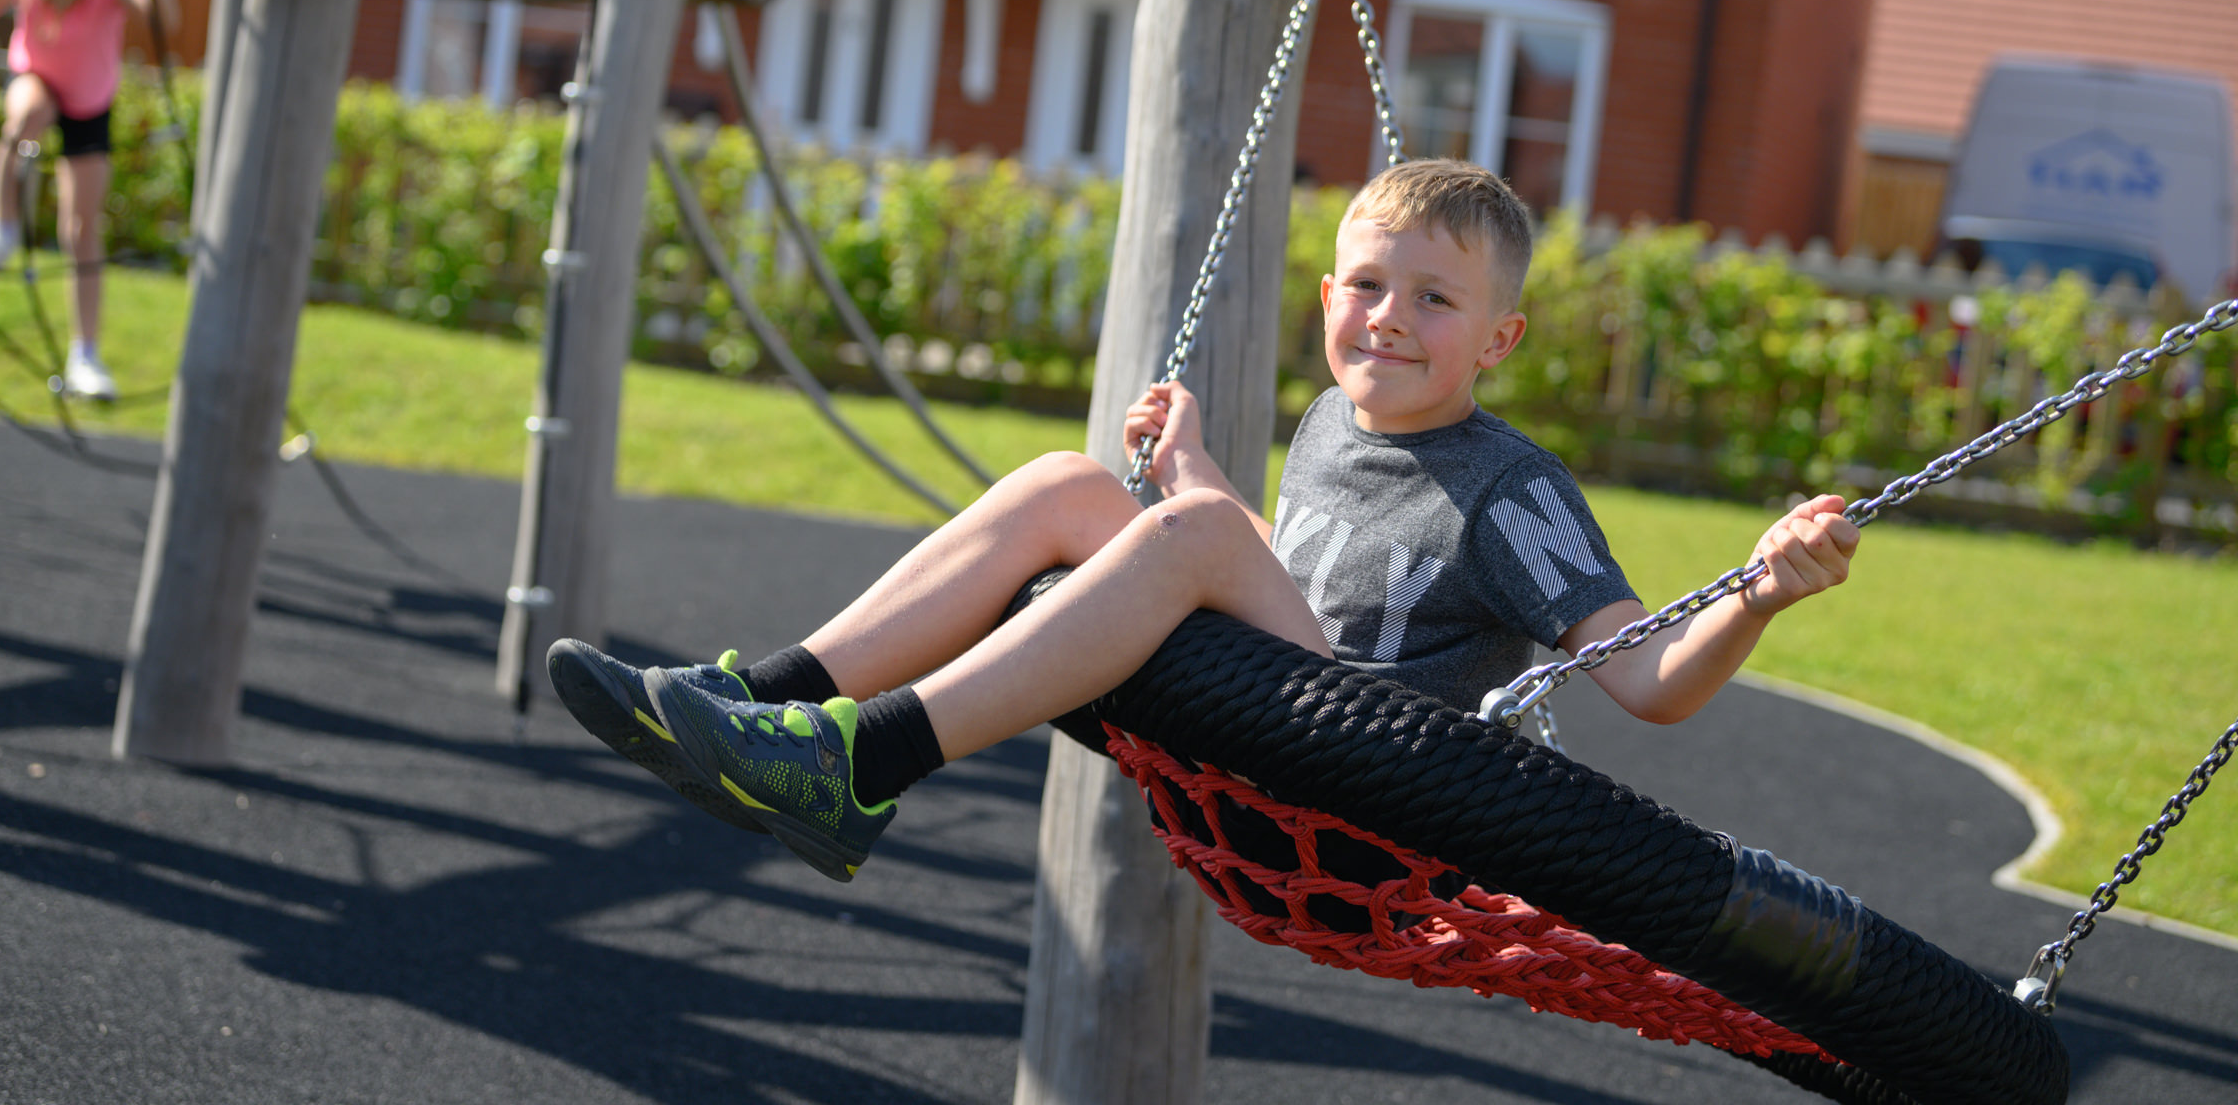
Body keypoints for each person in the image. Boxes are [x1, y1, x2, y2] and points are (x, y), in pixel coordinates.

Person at [552, 159, 1860, 883]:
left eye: (1435, 301)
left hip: (1366, 819)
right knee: (1079, 481)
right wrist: (1195, 473)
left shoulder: (1509, 490)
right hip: (1277, 738)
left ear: (1499, 339)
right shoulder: (1335, 424)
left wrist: (1756, 592)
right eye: (1365, 283)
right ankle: (770, 704)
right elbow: (1283, 588)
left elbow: (1644, 680)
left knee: (1191, 530)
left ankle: (863, 767)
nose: (1388, 318)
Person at [0, 0, 178, 401]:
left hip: (90, 104)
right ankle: (3, 229)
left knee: (81, 229)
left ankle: (85, 355)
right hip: (38, 80)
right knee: (27, 115)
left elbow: (164, 24)